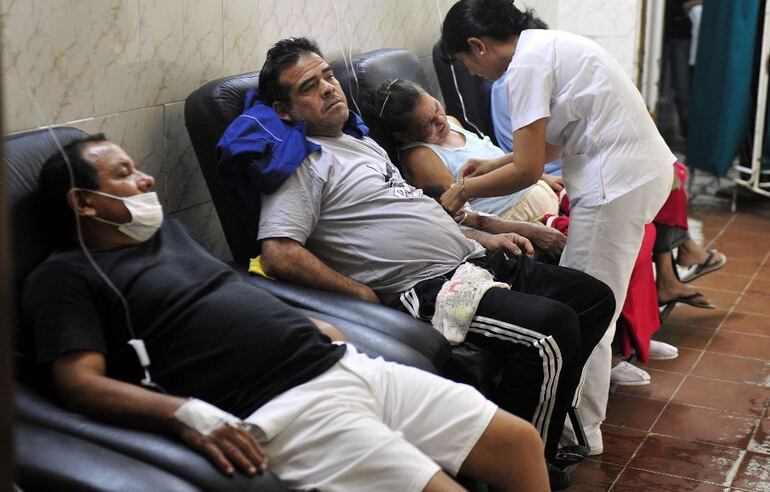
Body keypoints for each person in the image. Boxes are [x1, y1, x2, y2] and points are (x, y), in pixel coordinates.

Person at [22, 134, 553, 492]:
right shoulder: (65, 277)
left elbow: (228, 294)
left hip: (341, 363)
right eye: (123, 175)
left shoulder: (170, 236)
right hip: (285, 408)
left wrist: (301, 322)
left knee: (517, 443)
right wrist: (183, 413)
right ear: (83, 202)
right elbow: (78, 383)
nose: (147, 180)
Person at [232, 37, 615, 486]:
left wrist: (483, 235)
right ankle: (521, 467)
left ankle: (514, 439)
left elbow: (419, 213)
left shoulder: (363, 145)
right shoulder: (300, 165)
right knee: (548, 331)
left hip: (472, 261)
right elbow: (278, 253)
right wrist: (360, 293)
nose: (329, 89)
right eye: (309, 87)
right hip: (430, 290)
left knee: (593, 298)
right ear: (283, 110)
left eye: (329, 77)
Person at [439, 0, 675, 455]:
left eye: (465, 61)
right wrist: (493, 163)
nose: (471, 70)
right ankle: (581, 422)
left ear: (477, 45)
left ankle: (579, 431)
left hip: (616, 185)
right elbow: (549, 142)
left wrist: (464, 190)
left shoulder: (524, 66)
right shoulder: (547, 45)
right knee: (590, 296)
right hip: (636, 173)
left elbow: (528, 170)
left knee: (586, 306)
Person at [365, 78, 561, 223]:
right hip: (517, 215)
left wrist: (544, 177)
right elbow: (459, 212)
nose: (440, 120)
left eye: (436, 108)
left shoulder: (452, 121)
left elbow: (495, 157)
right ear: (404, 136)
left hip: (540, 192)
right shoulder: (420, 156)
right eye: (428, 123)